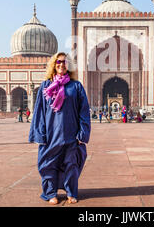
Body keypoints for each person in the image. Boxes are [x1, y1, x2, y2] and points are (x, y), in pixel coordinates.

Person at [29, 52, 90, 205]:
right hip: (51, 134)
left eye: (64, 62)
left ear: (68, 65)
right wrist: (39, 133)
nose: (61, 64)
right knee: (48, 164)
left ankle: (71, 192)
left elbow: (83, 111)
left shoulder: (76, 86)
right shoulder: (45, 85)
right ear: (53, 65)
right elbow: (39, 112)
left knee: (71, 164)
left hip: (71, 132)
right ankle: (50, 193)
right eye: (58, 62)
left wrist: (82, 133)